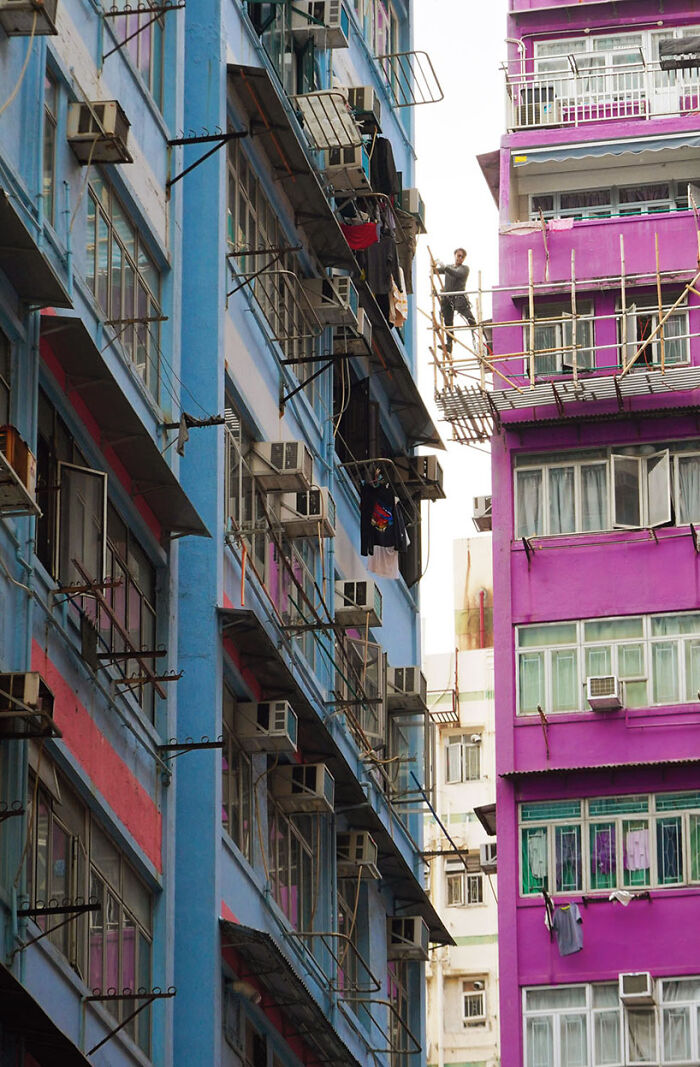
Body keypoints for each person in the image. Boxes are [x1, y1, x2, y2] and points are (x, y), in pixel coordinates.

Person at [437, 248, 476, 352]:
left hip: (458, 296)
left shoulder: (464, 268)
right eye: (458, 256)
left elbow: (456, 273)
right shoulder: (449, 267)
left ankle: (472, 321)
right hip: (447, 297)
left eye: (462, 257)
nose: (460, 258)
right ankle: (449, 344)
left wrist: (444, 267)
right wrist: (434, 265)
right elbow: (436, 271)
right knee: (448, 321)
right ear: (455, 255)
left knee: (462, 308)